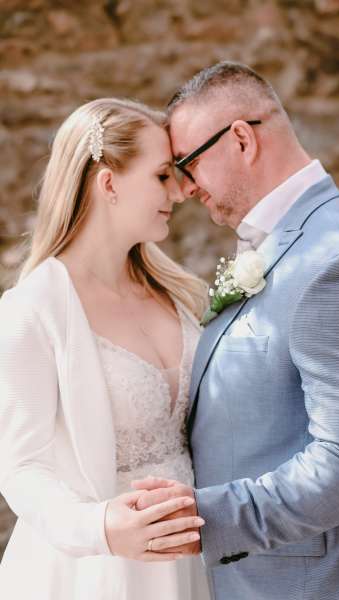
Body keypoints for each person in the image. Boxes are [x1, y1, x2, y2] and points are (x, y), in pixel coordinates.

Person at [132, 62, 339, 600]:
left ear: (241, 139)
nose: (185, 188)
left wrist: (206, 518)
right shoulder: (289, 245)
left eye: (188, 163)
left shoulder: (336, 263)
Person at [0, 97, 212, 600]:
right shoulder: (34, 307)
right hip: (98, 570)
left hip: (194, 558)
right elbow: (20, 467)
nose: (179, 192)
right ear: (109, 183)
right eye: (161, 176)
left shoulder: (178, 293)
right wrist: (100, 529)